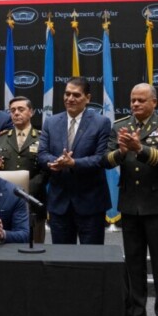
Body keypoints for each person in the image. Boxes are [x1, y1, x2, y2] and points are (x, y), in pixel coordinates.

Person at [105, 83, 158, 316]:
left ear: (154, 103)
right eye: (133, 100)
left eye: (141, 100)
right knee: (133, 263)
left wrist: (140, 149)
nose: (135, 104)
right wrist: (121, 152)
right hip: (130, 204)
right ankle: (137, 312)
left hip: (157, 204)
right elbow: (105, 159)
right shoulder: (119, 126)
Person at [38, 77, 112, 245]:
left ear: (88, 98)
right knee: (62, 259)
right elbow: (42, 153)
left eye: (76, 95)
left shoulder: (101, 123)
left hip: (90, 203)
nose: (70, 99)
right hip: (59, 203)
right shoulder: (51, 122)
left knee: (91, 259)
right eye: (67, 94)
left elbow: (101, 158)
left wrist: (74, 163)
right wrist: (54, 162)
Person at [0, 96, 47, 243]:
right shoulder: (0, 138)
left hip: (34, 199)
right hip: (6, 200)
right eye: (12, 110)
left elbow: (46, 170)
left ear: (31, 112)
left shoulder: (43, 138)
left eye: (21, 109)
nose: (16, 113)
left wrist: (27, 188)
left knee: (35, 243)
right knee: (6, 243)